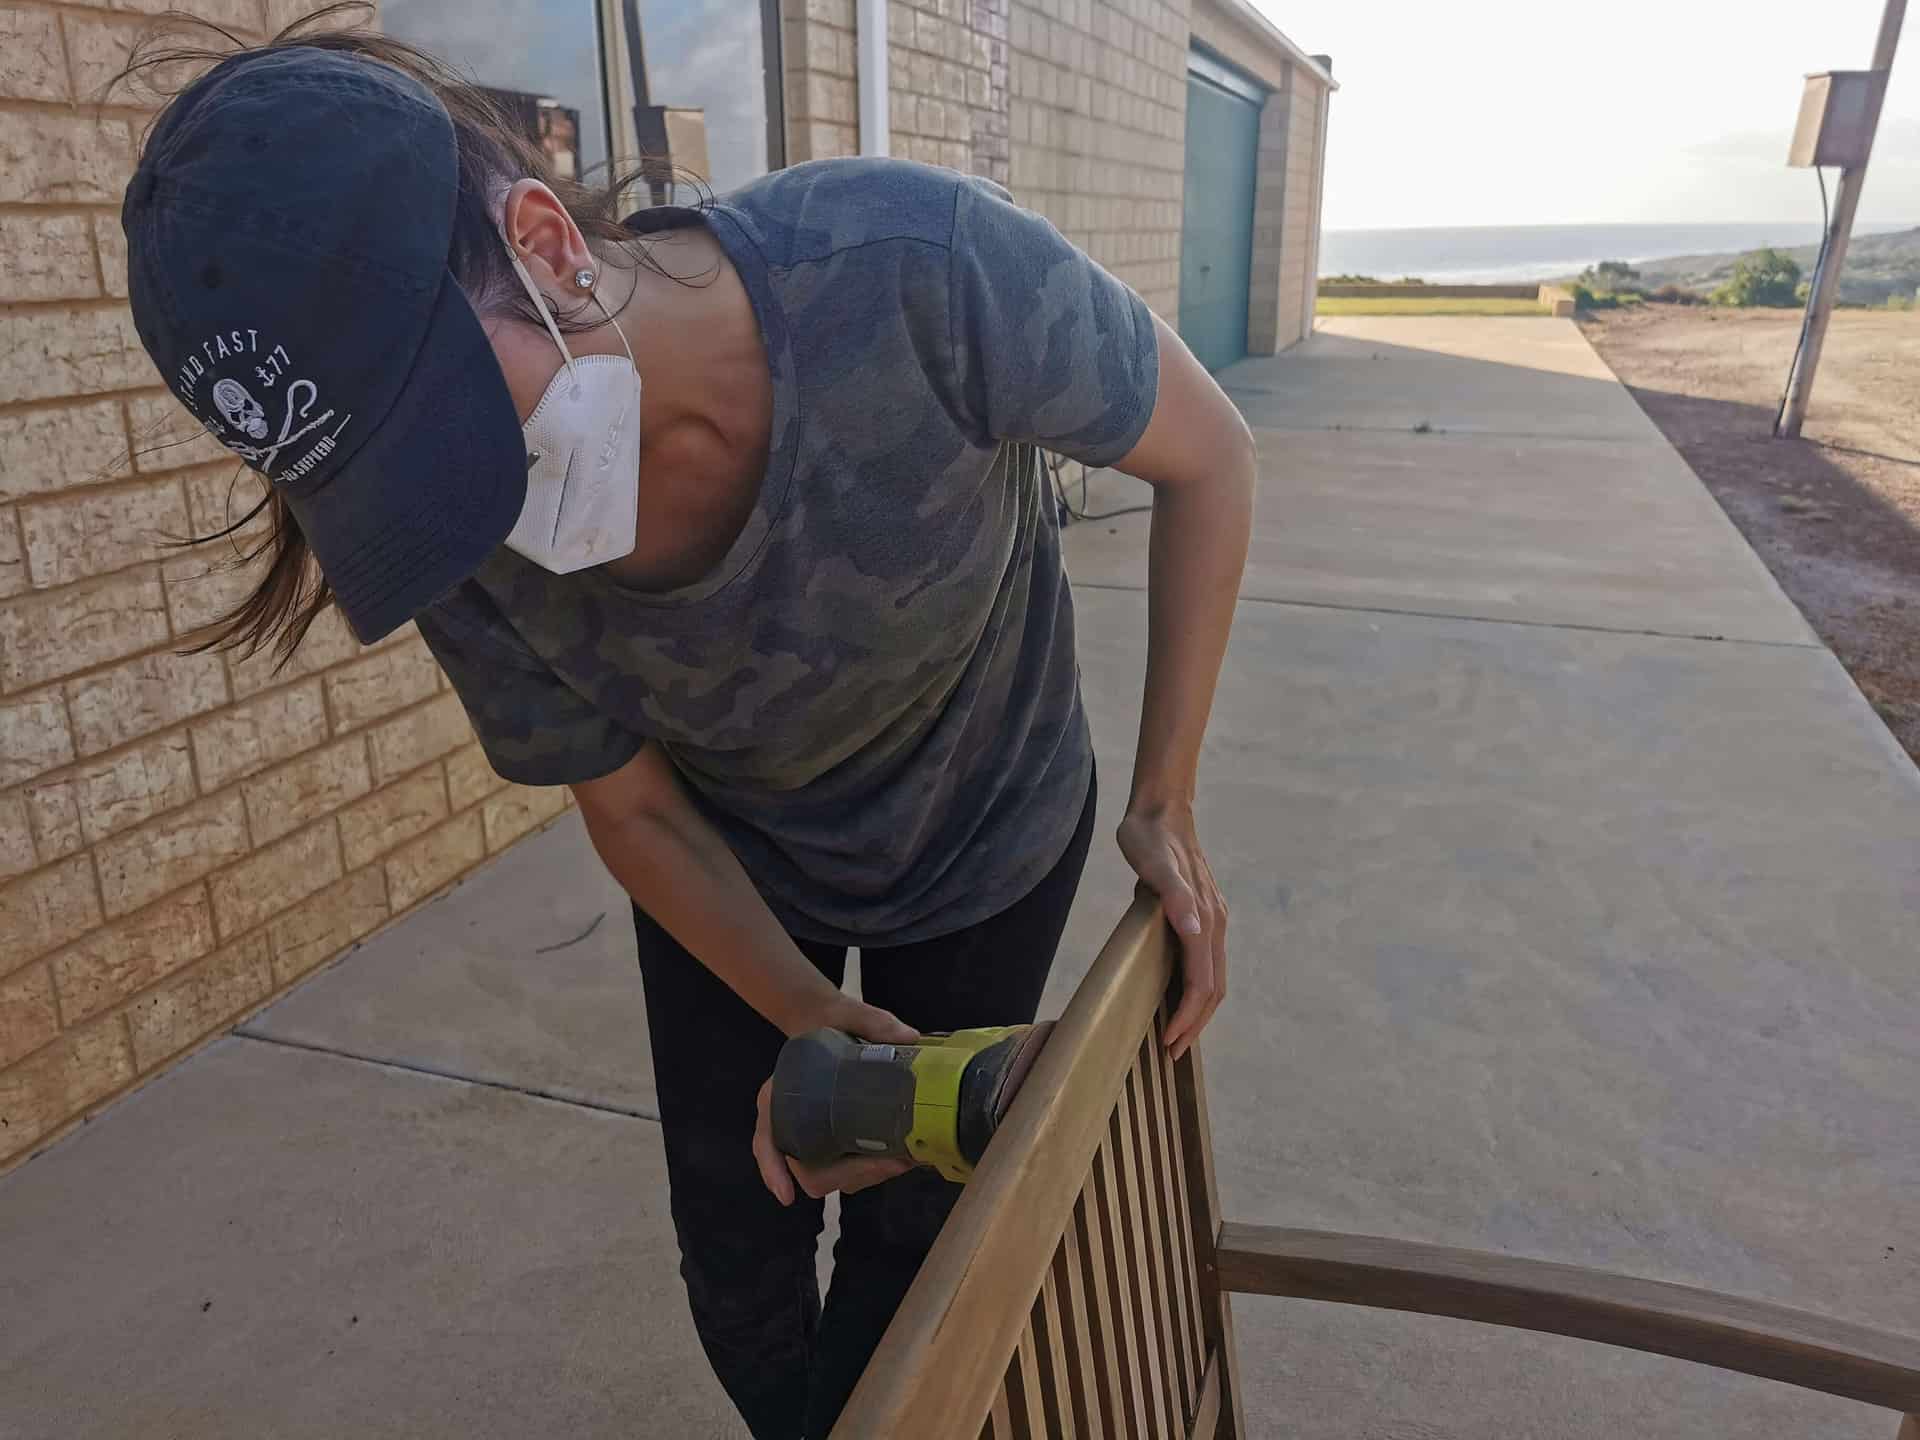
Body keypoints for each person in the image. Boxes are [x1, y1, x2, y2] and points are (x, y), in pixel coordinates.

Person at [119, 12, 1252, 1438]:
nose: (486, 522)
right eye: (406, 486)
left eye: (462, 441)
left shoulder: (915, 275)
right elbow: (636, 807)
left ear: (545, 242)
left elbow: (1209, 456)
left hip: (985, 826)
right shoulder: (451, 545)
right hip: (730, 862)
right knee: (742, 1250)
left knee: (922, 1250)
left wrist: (1166, 794)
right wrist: (803, 1014)